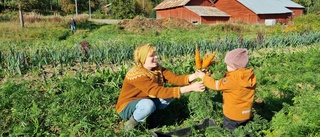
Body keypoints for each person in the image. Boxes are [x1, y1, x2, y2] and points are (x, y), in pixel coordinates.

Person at [116, 44, 205, 132]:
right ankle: (129, 126)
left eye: (155, 54)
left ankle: (151, 117)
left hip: (145, 100)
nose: (156, 57)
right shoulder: (137, 74)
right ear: (143, 58)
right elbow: (157, 91)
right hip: (127, 106)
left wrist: (196, 75)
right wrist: (189, 88)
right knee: (148, 105)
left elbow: (174, 78)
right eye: (152, 56)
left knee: (169, 96)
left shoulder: (156, 69)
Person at [197, 48, 256, 132]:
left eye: (228, 65)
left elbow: (215, 85)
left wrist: (203, 77)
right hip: (246, 114)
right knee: (243, 132)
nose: (226, 66)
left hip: (232, 116)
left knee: (229, 133)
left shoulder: (232, 80)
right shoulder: (250, 76)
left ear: (234, 66)